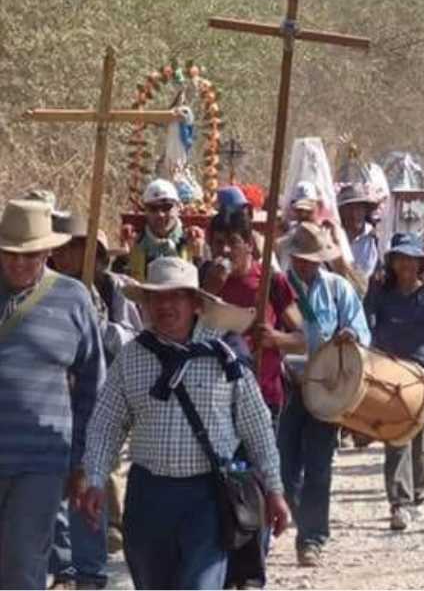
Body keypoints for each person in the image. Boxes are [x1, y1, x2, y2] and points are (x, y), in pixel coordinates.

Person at [79, 257, 289, 590]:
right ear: (146, 305)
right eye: (156, 297)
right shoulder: (131, 358)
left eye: (176, 296)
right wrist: (95, 478)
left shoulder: (225, 357)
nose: (165, 305)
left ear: (196, 304)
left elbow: (257, 427)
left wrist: (275, 490)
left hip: (209, 496)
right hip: (149, 495)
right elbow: (106, 423)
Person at [0, 200, 105, 590]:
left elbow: (93, 384)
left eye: (28, 255)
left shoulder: (73, 298)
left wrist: (83, 461)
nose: (18, 263)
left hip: (41, 462)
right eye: (9, 253)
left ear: (47, 251)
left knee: (22, 564)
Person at [48, 214, 142, 590]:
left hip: (102, 397)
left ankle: (89, 569)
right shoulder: (45, 288)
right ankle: (64, 566)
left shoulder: (115, 290)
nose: (66, 255)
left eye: (76, 248)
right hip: (56, 400)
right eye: (62, 248)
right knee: (54, 483)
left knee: (89, 477)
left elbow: (134, 339)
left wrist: (98, 328)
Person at [278, 222, 370, 565]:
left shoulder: (337, 288)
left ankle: (311, 538)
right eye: (301, 259)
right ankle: (299, 515)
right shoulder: (278, 288)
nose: (306, 265)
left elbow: (361, 330)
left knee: (318, 465)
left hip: (327, 388)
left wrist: (351, 336)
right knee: (283, 467)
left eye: (313, 260)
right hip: (286, 387)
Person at [364, 233, 424, 531]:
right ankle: (399, 502)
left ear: (420, 262)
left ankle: (418, 494)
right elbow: (368, 322)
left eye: (411, 259)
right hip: (393, 368)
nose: (405, 265)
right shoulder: (382, 291)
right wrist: (371, 292)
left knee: (421, 433)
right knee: (396, 432)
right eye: (400, 259)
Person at [202, 210, 306, 422]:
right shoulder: (202, 276)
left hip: (262, 395)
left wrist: (275, 338)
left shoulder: (270, 281)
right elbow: (190, 330)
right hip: (213, 397)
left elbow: (303, 341)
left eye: (233, 242)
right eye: (219, 243)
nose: (225, 250)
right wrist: (209, 291)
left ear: (249, 244)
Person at [120, 179, 204, 281]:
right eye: (153, 208)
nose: (160, 215)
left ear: (178, 207)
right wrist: (123, 257)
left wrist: (198, 257)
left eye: (166, 207)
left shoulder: (194, 241)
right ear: (145, 211)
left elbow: (205, 284)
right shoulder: (134, 242)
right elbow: (117, 283)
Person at [336, 182, 382, 285]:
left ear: (366, 210)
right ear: (341, 212)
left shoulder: (376, 238)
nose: (354, 214)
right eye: (349, 209)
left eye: (358, 208)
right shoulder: (335, 238)